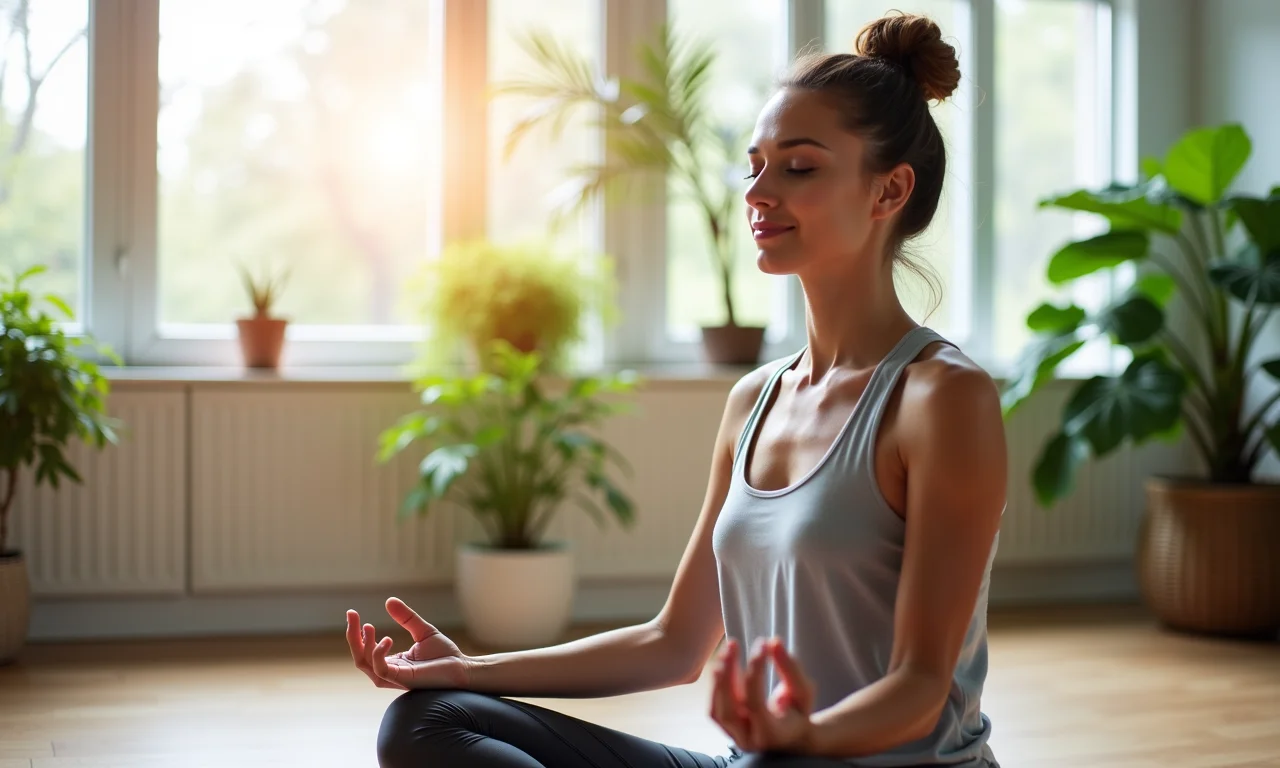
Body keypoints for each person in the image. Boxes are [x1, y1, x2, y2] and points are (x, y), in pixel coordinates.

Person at [346, 11, 1006, 767]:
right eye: (755, 166)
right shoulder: (755, 400)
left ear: (889, 190)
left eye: (799, 167)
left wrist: (804, 738)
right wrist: (468, 669)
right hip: (761, 761)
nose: (758, 192)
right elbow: (673, 643)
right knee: (426, 720)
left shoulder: (942, 399)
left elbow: (921, 686)